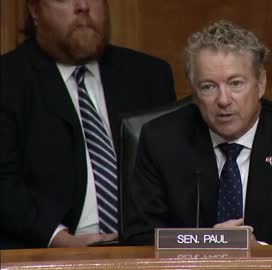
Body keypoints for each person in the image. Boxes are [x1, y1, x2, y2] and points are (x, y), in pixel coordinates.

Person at [123, 20, 272, 245]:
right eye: (208, 86)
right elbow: (139, 239)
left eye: (236, 83)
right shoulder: (162, 141)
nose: (223, 100)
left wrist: (259, 256)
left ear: (260, 84)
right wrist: (207, 244)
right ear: (194, 92)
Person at [0, 0, 176, 249]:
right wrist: (57, 238)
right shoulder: (9, 80)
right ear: (35, 11)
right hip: (43, 250)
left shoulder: (149, 75)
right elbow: (4, 184)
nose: (83, 6)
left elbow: (176, 172)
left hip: (142, 248)